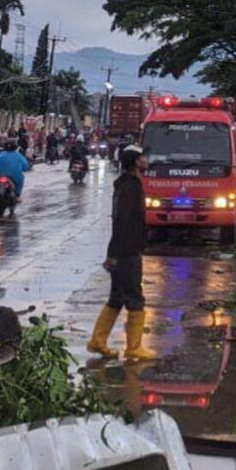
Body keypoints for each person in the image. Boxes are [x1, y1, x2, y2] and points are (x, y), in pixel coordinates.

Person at [87, 144, 154, 360]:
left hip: (123, 249)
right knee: (135, 297)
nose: (146, 160)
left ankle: (98, 341)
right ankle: (134, 348)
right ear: (136, 161)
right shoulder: (130, 188)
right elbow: (122, 221)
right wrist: (114, 253)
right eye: (143, 157)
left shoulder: (126, 185)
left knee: (116, 297)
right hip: (127, 251)